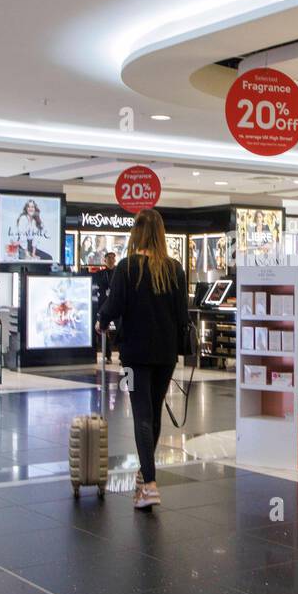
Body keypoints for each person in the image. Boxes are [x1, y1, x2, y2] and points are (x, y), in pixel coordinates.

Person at [97, 208, 188, 510]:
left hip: (134, 356)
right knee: (154, 413)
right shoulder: (174, 269)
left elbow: (113, 305)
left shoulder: (126, 268)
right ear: (161, 234)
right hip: (165, 354)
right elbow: (182, 316)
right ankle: (144, 474)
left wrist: (100, 321)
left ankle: (149, 483)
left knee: (141, 414)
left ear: (136, 234)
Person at [92, 252, 118, 362]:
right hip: (104, 305)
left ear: (115, 260)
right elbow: (96, 287)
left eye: (112, 258)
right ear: (105, 260)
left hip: (117, 304)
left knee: (120, 330)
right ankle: (108, 356)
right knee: (104, 329)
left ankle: (122, 356)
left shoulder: (118, 272)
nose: (111, 260)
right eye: (109, 258)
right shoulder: (100, 273)